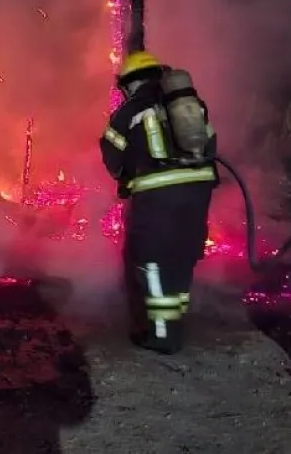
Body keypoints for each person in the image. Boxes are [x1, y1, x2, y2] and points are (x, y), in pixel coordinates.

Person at [99, 50, 218, 355]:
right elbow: (210, 143)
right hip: (198, 191)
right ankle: (175, 318)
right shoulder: (191, 104)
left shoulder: (131, 109)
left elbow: (111, 152)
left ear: (129, 83)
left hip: (157, 194)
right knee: (183, 252)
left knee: (149, 260)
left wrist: (125, 178)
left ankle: (163, 335)